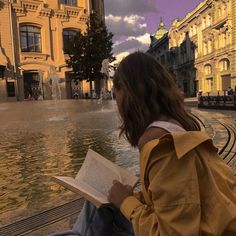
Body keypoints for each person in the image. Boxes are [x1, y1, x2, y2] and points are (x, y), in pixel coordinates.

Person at [50, 52, 236, 236]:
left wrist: (126, 202)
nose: (115, 95)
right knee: (99, 199)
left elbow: (174, 232)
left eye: (117, 88)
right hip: (204, 221)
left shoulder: (165, 148)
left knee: (96, 212)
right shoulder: (177, 126)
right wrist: (133, 197)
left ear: (129, 92)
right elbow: (177, 201)